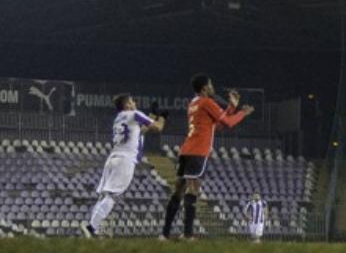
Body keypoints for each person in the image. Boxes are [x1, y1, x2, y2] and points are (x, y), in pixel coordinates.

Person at [161, 75, 252, 240]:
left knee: (178, 191)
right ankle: (188, 234)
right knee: (193, 190)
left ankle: (164, 234)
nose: (212, 87)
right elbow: (229, 123)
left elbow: (216, 125)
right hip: (198, 151)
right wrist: (242, 113)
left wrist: (231, 107)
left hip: (185, 150)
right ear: (204, 88)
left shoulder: (194, 103)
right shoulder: (207, 102)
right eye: (210, 84)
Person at [85, 93, 164, 237]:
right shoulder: (134, 114)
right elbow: (157, 128)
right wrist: (162, 117)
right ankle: (91, 227)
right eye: (132, 101)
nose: (134, 103)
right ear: (127, 105)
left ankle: (92, 227)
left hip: (112, 158)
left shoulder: (118, 118)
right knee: (112, 197)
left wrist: (152, 114)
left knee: (104, 196)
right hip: (125, 159)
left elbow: (141, 131)